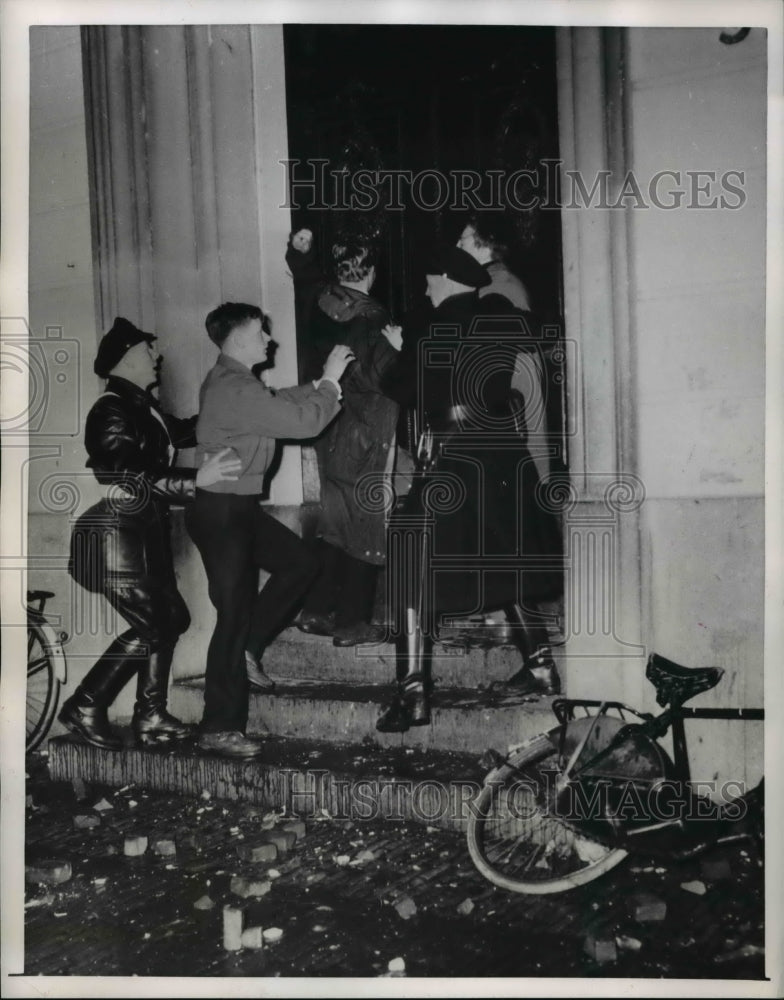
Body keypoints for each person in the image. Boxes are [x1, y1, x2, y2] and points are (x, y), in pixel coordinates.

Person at [376, 246, 564, 733]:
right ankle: (540, 667)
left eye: (428, 280)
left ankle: (412, 693)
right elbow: (533, 332)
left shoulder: (430, 326)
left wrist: (401, 347)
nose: (424, 289)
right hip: (503, 458)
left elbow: (397, 387)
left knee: (410, 563)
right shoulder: (499, 316)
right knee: (508, 556)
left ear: (444, 278)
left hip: (452, 459)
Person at [59, 317, 242, 750]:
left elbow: (184, 431)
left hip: (139, 535)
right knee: (153, 623)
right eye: (147, 351)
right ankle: (85, 705)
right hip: (115, 536)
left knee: (170, 619)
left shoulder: (141, 407)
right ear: (125, 359)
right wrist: (197, 480)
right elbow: (127, 474)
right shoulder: (110, 410)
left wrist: (231, 410)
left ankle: (151, 716)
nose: (156, 357)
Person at [185, 302, 354, 758]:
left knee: (300, 563)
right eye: (261, 333)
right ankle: (218, 727)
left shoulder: (238, 381)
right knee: (233, 614)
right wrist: (331, 381)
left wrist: (315, 387)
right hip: (221, 513)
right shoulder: (235, 386)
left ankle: (250, 647)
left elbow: (278, 401)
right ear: (239, 339)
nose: (269, 340)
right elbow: (303, 422)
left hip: (237, 508)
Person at [285, 228, 401, 647]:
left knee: (335, 523)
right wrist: (400, 351)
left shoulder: (320, 302)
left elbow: (305, 279)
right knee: (368, 523)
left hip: (331, 428)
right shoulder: (374, 317)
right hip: (368, 431)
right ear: (370, 272)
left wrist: (300, 253)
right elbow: (381, 379)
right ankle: (353, 622)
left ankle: (316, 609)